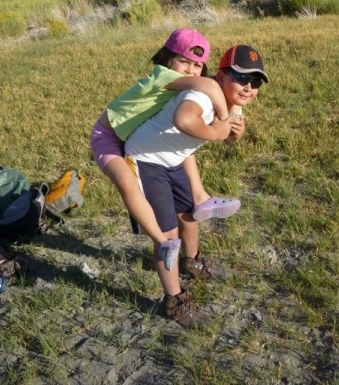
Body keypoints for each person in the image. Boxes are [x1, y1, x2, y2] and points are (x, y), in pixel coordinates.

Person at [124, 44, 269, 326]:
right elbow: (185, 118)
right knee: (167, 235)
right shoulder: (201, 96)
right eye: (240, 78)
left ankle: (191, 262)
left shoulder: (234, 102)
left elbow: (228, 131)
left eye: (255, 82)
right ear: (220, 76)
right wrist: (216, 133)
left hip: (173, 159)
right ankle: (173, 300)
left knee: (191, 213)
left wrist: (234, 133)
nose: (248, 87)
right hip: (146, 161)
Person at [90, 29, 241, 271]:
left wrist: (234, 118)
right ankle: (163, 241)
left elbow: (211, 85)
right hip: (108, 138)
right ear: (167, 59)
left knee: (183, 150)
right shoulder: (163, 76)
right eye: (184, 62)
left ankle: (200, 197)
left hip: (135, 133)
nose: (191, 70)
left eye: (197, 65)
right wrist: (221, 123)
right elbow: (210, 86)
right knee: (127, 182)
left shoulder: (182, 82)